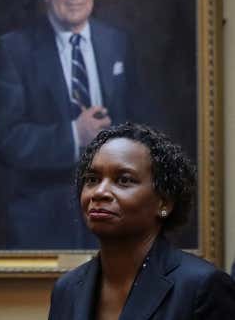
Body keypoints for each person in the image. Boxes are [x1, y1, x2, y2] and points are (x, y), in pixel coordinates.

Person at [0, 0, 147, 248]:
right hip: (42, 219)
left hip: (117, 215)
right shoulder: (13, 50)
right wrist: (75, 135)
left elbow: (140, 121)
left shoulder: (117, 42)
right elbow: (6, 140)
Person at [48, 123, 235, 319]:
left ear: (164, 202)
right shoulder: (66, 289)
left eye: (124, 180)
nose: (100, 192)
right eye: (92, 179)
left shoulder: (202, 286)